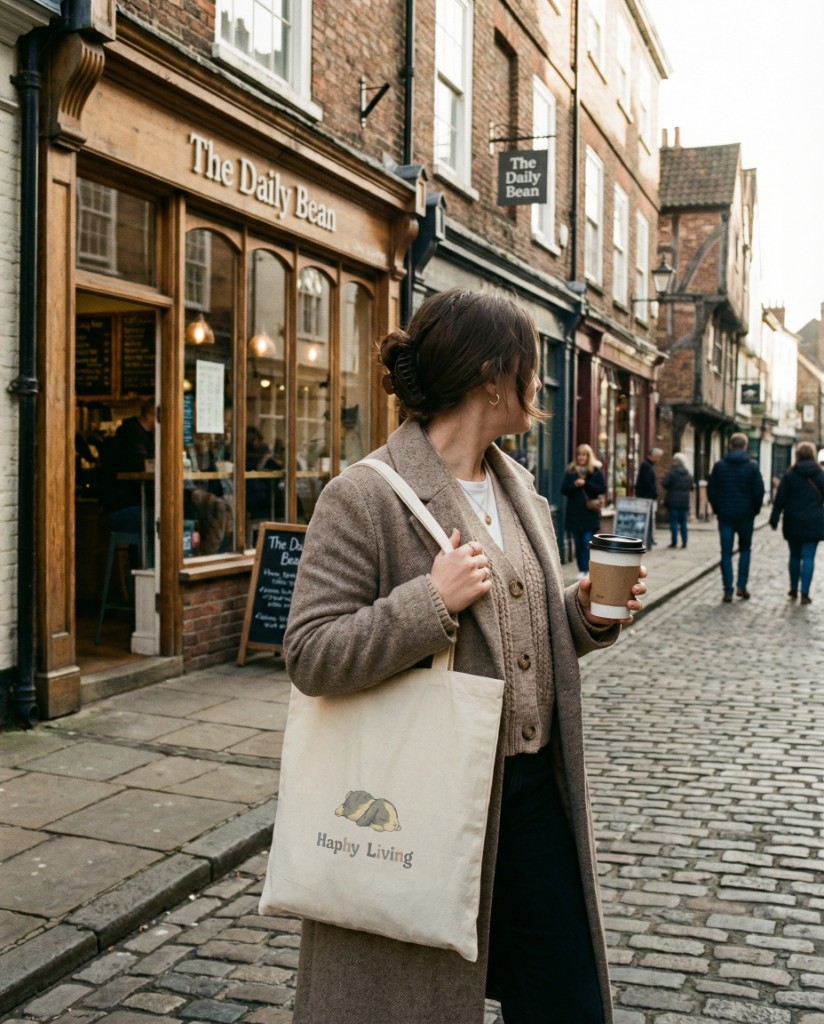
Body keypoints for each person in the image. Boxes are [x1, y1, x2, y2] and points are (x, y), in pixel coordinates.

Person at [282, 288, 646, 1024]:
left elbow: (517, 641)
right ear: (491, 375)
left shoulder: (523, 495)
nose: (539, 386)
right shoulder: (362, 498)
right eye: (530, 367)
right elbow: (311, 654)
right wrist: (429, 601)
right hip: (425, 804)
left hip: (535, 802)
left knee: (568, 1000)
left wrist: (580, 616)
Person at [707, 432, 765, 603]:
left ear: (730, 446)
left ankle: (728, 590)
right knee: (745, 550)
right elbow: (759, 491)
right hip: (746, 516)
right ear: (745, 447)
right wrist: (755, 509)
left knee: (726, 553)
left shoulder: (719, 466)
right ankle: (741, 586)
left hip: (725, 515)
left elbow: (712, 490)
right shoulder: (752, 466)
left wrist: (718, 508)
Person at [97, 399, 156, 564]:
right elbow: (142, 465)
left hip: (136, 505)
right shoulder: (130, 434)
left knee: (169, 518)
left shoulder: (145, 436)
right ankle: (146, 578)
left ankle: (146, 574)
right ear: (153, 417)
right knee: (166, 521)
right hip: (121, 508)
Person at [769, 441, 824, 605]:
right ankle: (805, 593)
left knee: (794, 556)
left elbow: (780, 499)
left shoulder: (789, 475)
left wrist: (774, 519)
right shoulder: (820, 475)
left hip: (793, 520)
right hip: (814, 521)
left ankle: (793, 588)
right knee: (808, 557)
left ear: (797, 455)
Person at [561, 444, 606, 579]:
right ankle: (582, 570)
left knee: (587, 542)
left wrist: (585, 484)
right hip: (575, 513)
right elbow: (563, 490)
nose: (581, 457)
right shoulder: (571, 471)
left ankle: (587, 569)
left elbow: (601, 489)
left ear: (588, 456)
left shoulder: (595, 471)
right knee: (579, 543)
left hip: (589, 513)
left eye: (584, 454)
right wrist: (575, 484)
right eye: (579, 454)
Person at [662, 453, 694, 549]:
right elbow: (692, 487)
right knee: (683, 523)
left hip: (673, 501)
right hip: (684, 501)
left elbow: (665, 484)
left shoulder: (671, 473)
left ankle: (674, 542)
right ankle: (684, 542)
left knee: (674, 522)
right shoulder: (688, 474)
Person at [635, 447, 662, 549]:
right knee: (647, 519)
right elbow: (647, 483)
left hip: (646, 496)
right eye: (658, 457)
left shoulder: (647, 465)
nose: (659, 460)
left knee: (649, 519)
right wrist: (654, 493)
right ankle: (647, 539)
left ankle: (649, 538)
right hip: (646, 497)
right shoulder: (646, 466)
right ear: (654, 456)